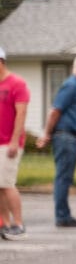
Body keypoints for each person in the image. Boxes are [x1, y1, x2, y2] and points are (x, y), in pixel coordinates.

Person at [37, 53, 76, 227]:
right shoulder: (71, 86)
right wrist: (46, 133)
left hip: (71, 135)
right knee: (63, 177)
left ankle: (64, 214)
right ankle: (62, 216)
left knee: (66, 177)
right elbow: (55, 111)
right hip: (64, 136)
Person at [0, 47, 30, 240]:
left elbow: (21, 113)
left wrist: (13, 141)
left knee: (7, 183)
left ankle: (19, 224)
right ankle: (6, 223)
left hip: (8, 144)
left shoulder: (17, 84)